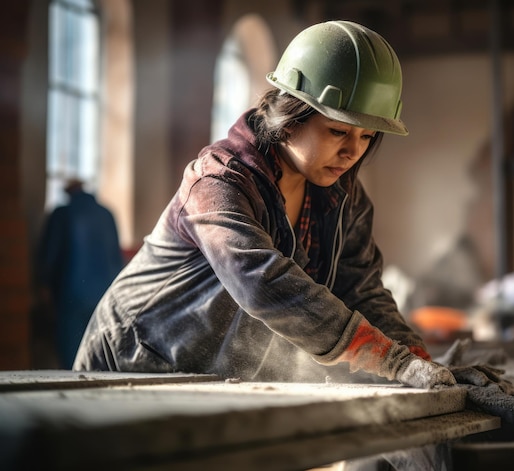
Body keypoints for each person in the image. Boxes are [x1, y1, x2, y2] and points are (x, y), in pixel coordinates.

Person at [73, 21, 456, 392]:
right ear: (289, 119)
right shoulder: (218, 182)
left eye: (367, 136)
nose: (353, 151)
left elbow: (362, 290)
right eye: (338, 131)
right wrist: (391, 361)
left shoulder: (345, 199)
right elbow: (262, 280)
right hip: (129, 365)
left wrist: (419, 359)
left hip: (208, 380)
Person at [37, 178, 124, 369]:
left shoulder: (63, 213)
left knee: (72, 356)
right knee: (101, 354)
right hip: (106, 293)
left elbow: (51, 253)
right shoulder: (106, 213)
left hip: (72, 294)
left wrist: (43, 284)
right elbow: (116, 256)